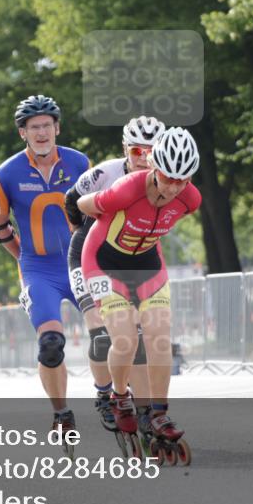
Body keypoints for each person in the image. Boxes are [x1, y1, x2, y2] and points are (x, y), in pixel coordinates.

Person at [77, 127, 201, 447]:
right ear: (153, 167)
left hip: (147, 265)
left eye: (182, 180)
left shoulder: (192, 199)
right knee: (126, 339)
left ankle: (158, 412)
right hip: (104, 262)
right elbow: (82, 203)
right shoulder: (126, 189)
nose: (174, 187)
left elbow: (170, 207)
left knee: (160, 338)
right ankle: (119, 397)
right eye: (167, 177)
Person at [0, 94, 90, 433]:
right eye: (34, 127)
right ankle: (61, 412)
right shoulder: (5, 174)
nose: (42, 132)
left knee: (115, 333)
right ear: (23, 133)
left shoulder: (79, 163)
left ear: (57, 128)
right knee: (50, 346)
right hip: (39, 270)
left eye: (47, 125)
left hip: (80, 264)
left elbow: (97, 213)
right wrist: (24, 259)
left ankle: (118, 396)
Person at [64, 116, 164, 430]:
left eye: (151, 152)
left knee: (134, 335)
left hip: (127, 258)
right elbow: (71, 201)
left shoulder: (166, 180)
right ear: (125, 150)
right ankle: (104, 393)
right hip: (87, 254)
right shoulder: (104, 173)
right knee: (101, 333)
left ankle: (146, 409)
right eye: (137, 152)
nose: (144, 159)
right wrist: (87, 232)